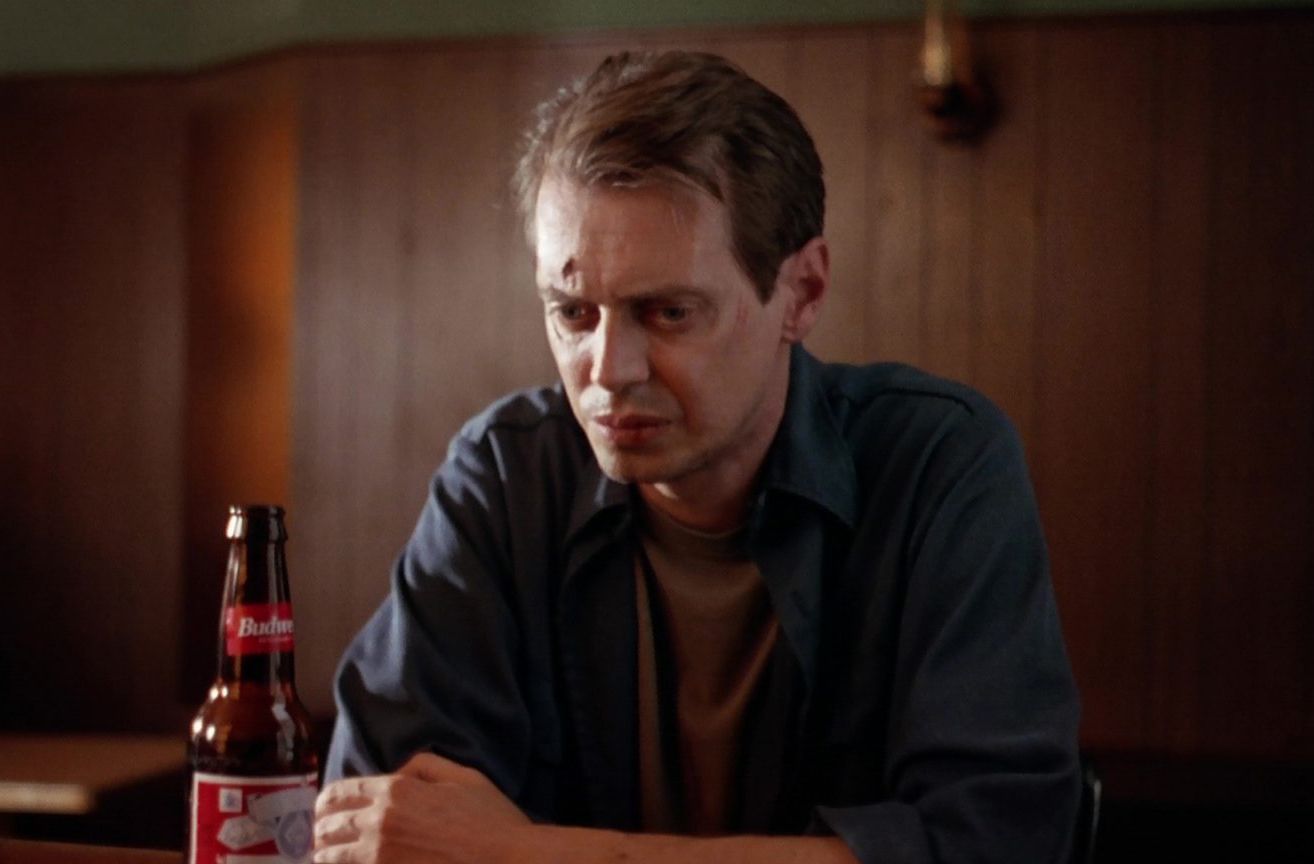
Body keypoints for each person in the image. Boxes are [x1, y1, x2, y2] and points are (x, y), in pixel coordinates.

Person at [313, 50, 1081, 864]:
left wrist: (525, 854)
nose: (609, 371)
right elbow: (380, 828)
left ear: (802, 293)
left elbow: (997, 845)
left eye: (669, 312)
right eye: (573, 313)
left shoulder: (938, 465)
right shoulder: (506, 478)